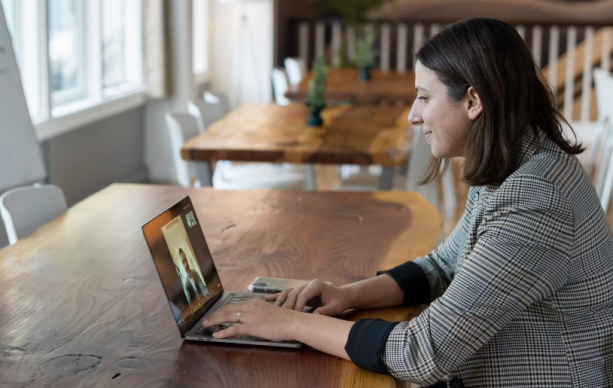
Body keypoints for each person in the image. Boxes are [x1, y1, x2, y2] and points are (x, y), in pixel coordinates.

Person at [202, 18, 613, 387]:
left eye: (423, 97)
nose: (412, 116)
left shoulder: (536, 199)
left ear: (473, 102)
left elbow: (423, 352)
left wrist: (289, 324)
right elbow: (442, 266)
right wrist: (349, 294)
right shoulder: (514, 162)